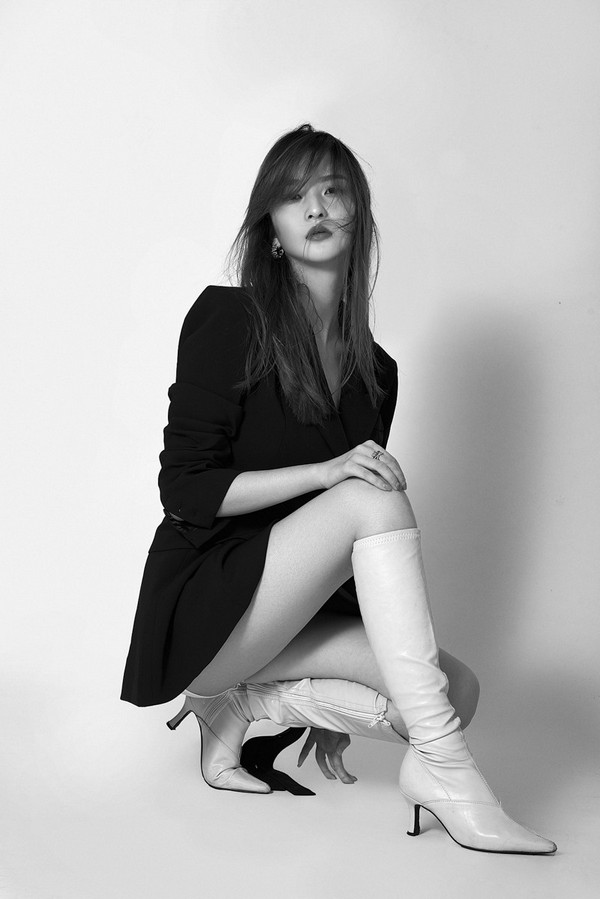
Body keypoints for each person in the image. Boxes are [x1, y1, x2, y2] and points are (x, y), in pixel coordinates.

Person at [121, 124, 556, 854]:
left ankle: (240, 707)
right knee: (369, 494)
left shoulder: (376, 374)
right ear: (272, 229)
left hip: (285, 618)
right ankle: (448, 775)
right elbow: (185, 489)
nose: (316, 208)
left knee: (459, 692)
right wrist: (324, 474)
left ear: (360, 213)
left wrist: (328, 701)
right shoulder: (229, 319)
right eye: (293, 197)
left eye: (333, 190)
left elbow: (350, 550)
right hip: (202, 611)